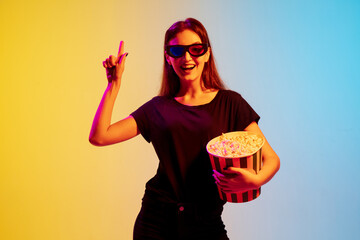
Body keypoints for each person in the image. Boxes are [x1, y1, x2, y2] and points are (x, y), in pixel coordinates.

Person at [89, 18, 280, 240]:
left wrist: (255, 180)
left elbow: (271, 159)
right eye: (177, 50)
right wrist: (113, 84)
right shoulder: (157, 108)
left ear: (207, 54)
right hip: (156, 221)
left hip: (205, 222)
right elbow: (100, 136)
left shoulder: (231, 103)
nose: (187, 58)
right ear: (168, 58)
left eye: (196, 49)